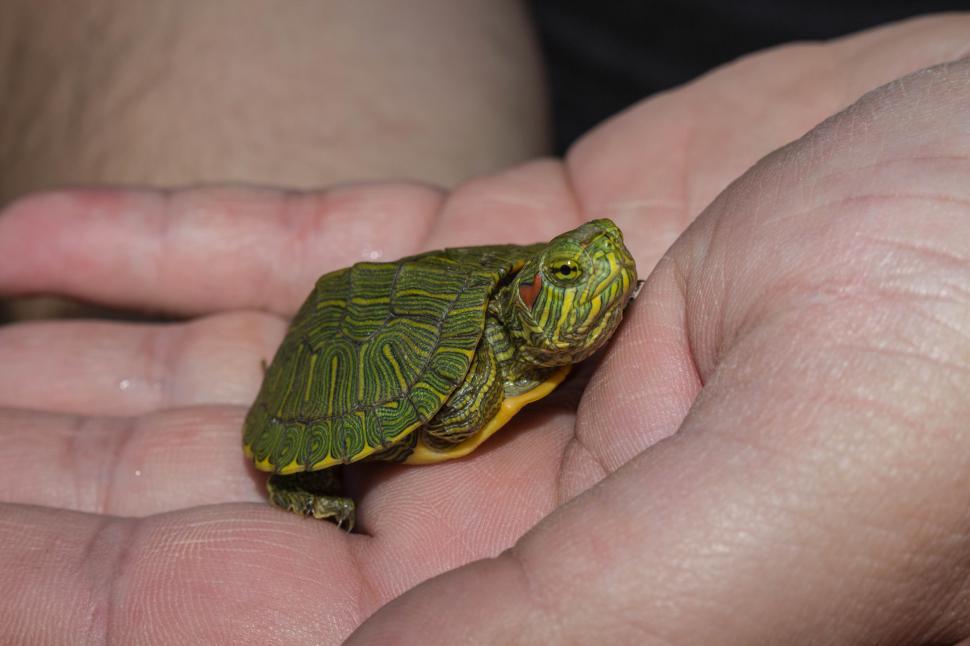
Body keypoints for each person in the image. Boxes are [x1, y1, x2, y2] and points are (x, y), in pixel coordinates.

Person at [1, 9, 969, 645]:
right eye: (564, 273)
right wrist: (309, 473)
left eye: (592, 263)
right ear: (526, 301)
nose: (600, 265)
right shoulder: (459, 383)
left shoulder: (533, 330)